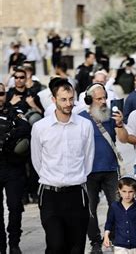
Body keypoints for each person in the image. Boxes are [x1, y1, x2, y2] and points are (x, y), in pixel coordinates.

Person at [31, 79, 95, 253]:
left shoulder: (85, 125)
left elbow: (88, 158)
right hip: (51, 195)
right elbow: (37, 160)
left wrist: (76, 178)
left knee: (76, 247)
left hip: (77, 194)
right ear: (54, 100)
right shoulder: (40, 127)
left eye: (70, 99)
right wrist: (52, 177)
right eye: (63, 99)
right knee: (55, 245)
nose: (68, 103)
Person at [78, 83, 128, 253]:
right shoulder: (80, 118)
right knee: (90, 209)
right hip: (89, 173)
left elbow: (123, 139)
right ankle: (95, 242)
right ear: (89, 100)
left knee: (116, 205)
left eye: (104, 97)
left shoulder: (110, 116)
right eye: (99, 98)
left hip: (110, 170)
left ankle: (112, 236)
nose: (103, 101)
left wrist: (120, 124)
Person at [0, 83, 31, 254]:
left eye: (1, 93)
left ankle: (14, 243)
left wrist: (8, 135)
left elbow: (26, 127)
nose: (0, 97)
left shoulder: (14, 111)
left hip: (12, 166)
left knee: (15, 206)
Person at [103, 176, 136, 253]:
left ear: (135, 191)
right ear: (119, 190)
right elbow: (109, 223)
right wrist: (106, 237)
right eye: (124, 191)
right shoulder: (114, 206)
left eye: (130, 191)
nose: (127, 195)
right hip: (120, 246)